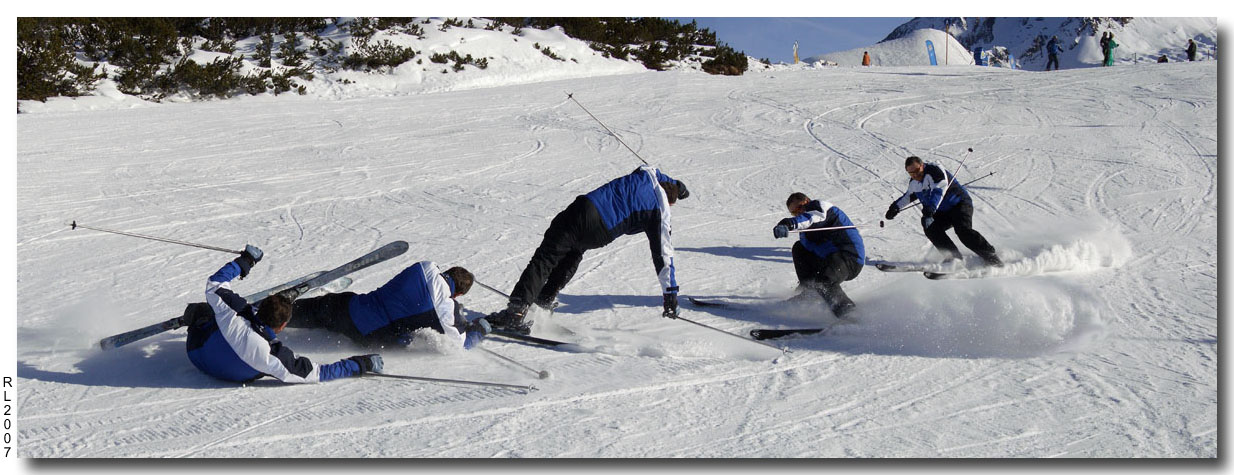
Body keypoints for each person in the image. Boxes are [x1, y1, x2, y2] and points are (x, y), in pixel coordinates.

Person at [488, 165, 689, 334]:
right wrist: (669, 295)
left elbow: (656, 171)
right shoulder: (661, 213)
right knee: (574, 251)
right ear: (669, 201)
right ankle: (543, 301)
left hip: (586, 209)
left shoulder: (648, 174)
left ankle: (516, 311)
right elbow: (663, 255)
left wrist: (679, 186)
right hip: (601, 233)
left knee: (546, 256)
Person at [186, 245, 382, 384]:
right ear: (282, 326)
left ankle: (198, 317)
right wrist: (360, 364)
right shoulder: (274, 355)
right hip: (230, 376)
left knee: (206, 311)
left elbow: (215, 284)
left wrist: (245, 261)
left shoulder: (234, 313)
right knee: (266, 367)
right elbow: (319, 373)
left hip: (195, 353)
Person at [287, 262, 487, 350]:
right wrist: (480, 329)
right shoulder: (444, 310)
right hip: (370, 337)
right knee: (406, 337)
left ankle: (272, 312)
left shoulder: (424, 267)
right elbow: (461, 345)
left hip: (351, 308)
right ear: (458, 294)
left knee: (322, 309)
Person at [884, 156, 1002, 267]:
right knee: (929, 225)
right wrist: (895, 207)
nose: (915, 174)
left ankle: (991, 257)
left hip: (959, 204)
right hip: (942, 211)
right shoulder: (914, 182)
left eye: (917, 170)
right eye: (911, 173)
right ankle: (954, 258)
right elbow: (908, 196)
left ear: (922, 165)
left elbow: (938, 191)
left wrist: (930, 208)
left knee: (962, 230)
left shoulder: (934, 171)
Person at [772, 193, 864, 318]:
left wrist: (788, 223)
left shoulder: (819, 207)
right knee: (799, 248)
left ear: (806, 201)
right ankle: (810, 292)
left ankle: (849, 314)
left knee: (824, 282)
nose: (798, 214)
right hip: (830, 260)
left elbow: (811, 218)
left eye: (799, 208)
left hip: (849, 257)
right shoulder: (805, 233)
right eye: (794, 213)